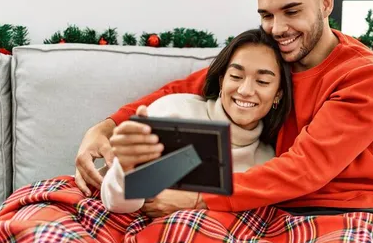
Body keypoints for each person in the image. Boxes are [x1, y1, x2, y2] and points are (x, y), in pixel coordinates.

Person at [74, 0, 373, 243]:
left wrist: (196, 199)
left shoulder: (365, 77)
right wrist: (104, 128)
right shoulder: (276, 57)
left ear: (325, 3)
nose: (278, 27)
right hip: (273, 209)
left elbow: (304, 169)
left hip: (354, 212)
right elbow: (189, 87)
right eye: (267, 15)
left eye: (291, 11)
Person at [100, 28, 292, 215]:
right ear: (221, 80)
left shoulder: (268, 161)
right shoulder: (177, 114)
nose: (245, 90)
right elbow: (119, 203)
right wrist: (125, 169)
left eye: (263, 82)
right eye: (236, 76)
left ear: (278, 94)